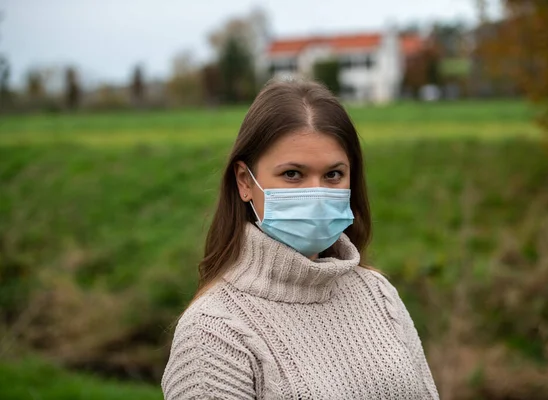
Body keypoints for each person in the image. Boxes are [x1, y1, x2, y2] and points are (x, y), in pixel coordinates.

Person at [161, 79, 439, 399]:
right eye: (293, 174)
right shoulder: (213, 333)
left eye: (333, 174)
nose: (317, 194)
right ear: (244, 181)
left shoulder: (378, 294)